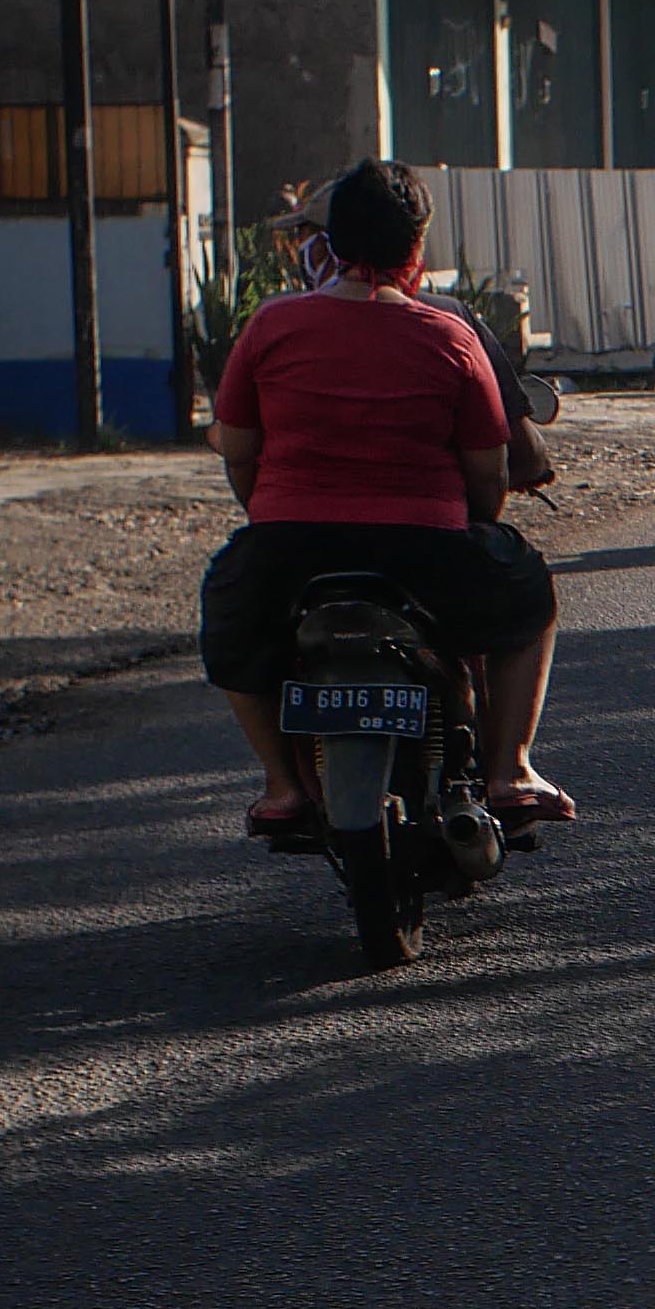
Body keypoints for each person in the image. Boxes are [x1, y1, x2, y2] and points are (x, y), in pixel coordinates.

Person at [198, 159, 563, 837]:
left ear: (329, 244)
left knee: (229, 619)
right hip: (425, 548)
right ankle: (510, 770)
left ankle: (281, 787)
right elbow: (488, 470)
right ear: (416, 248)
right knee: (530, 596)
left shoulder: (269, 327)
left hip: (287, 547)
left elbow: (240, 451)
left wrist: (269, 518)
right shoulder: (451, 334)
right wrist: (476, 527)